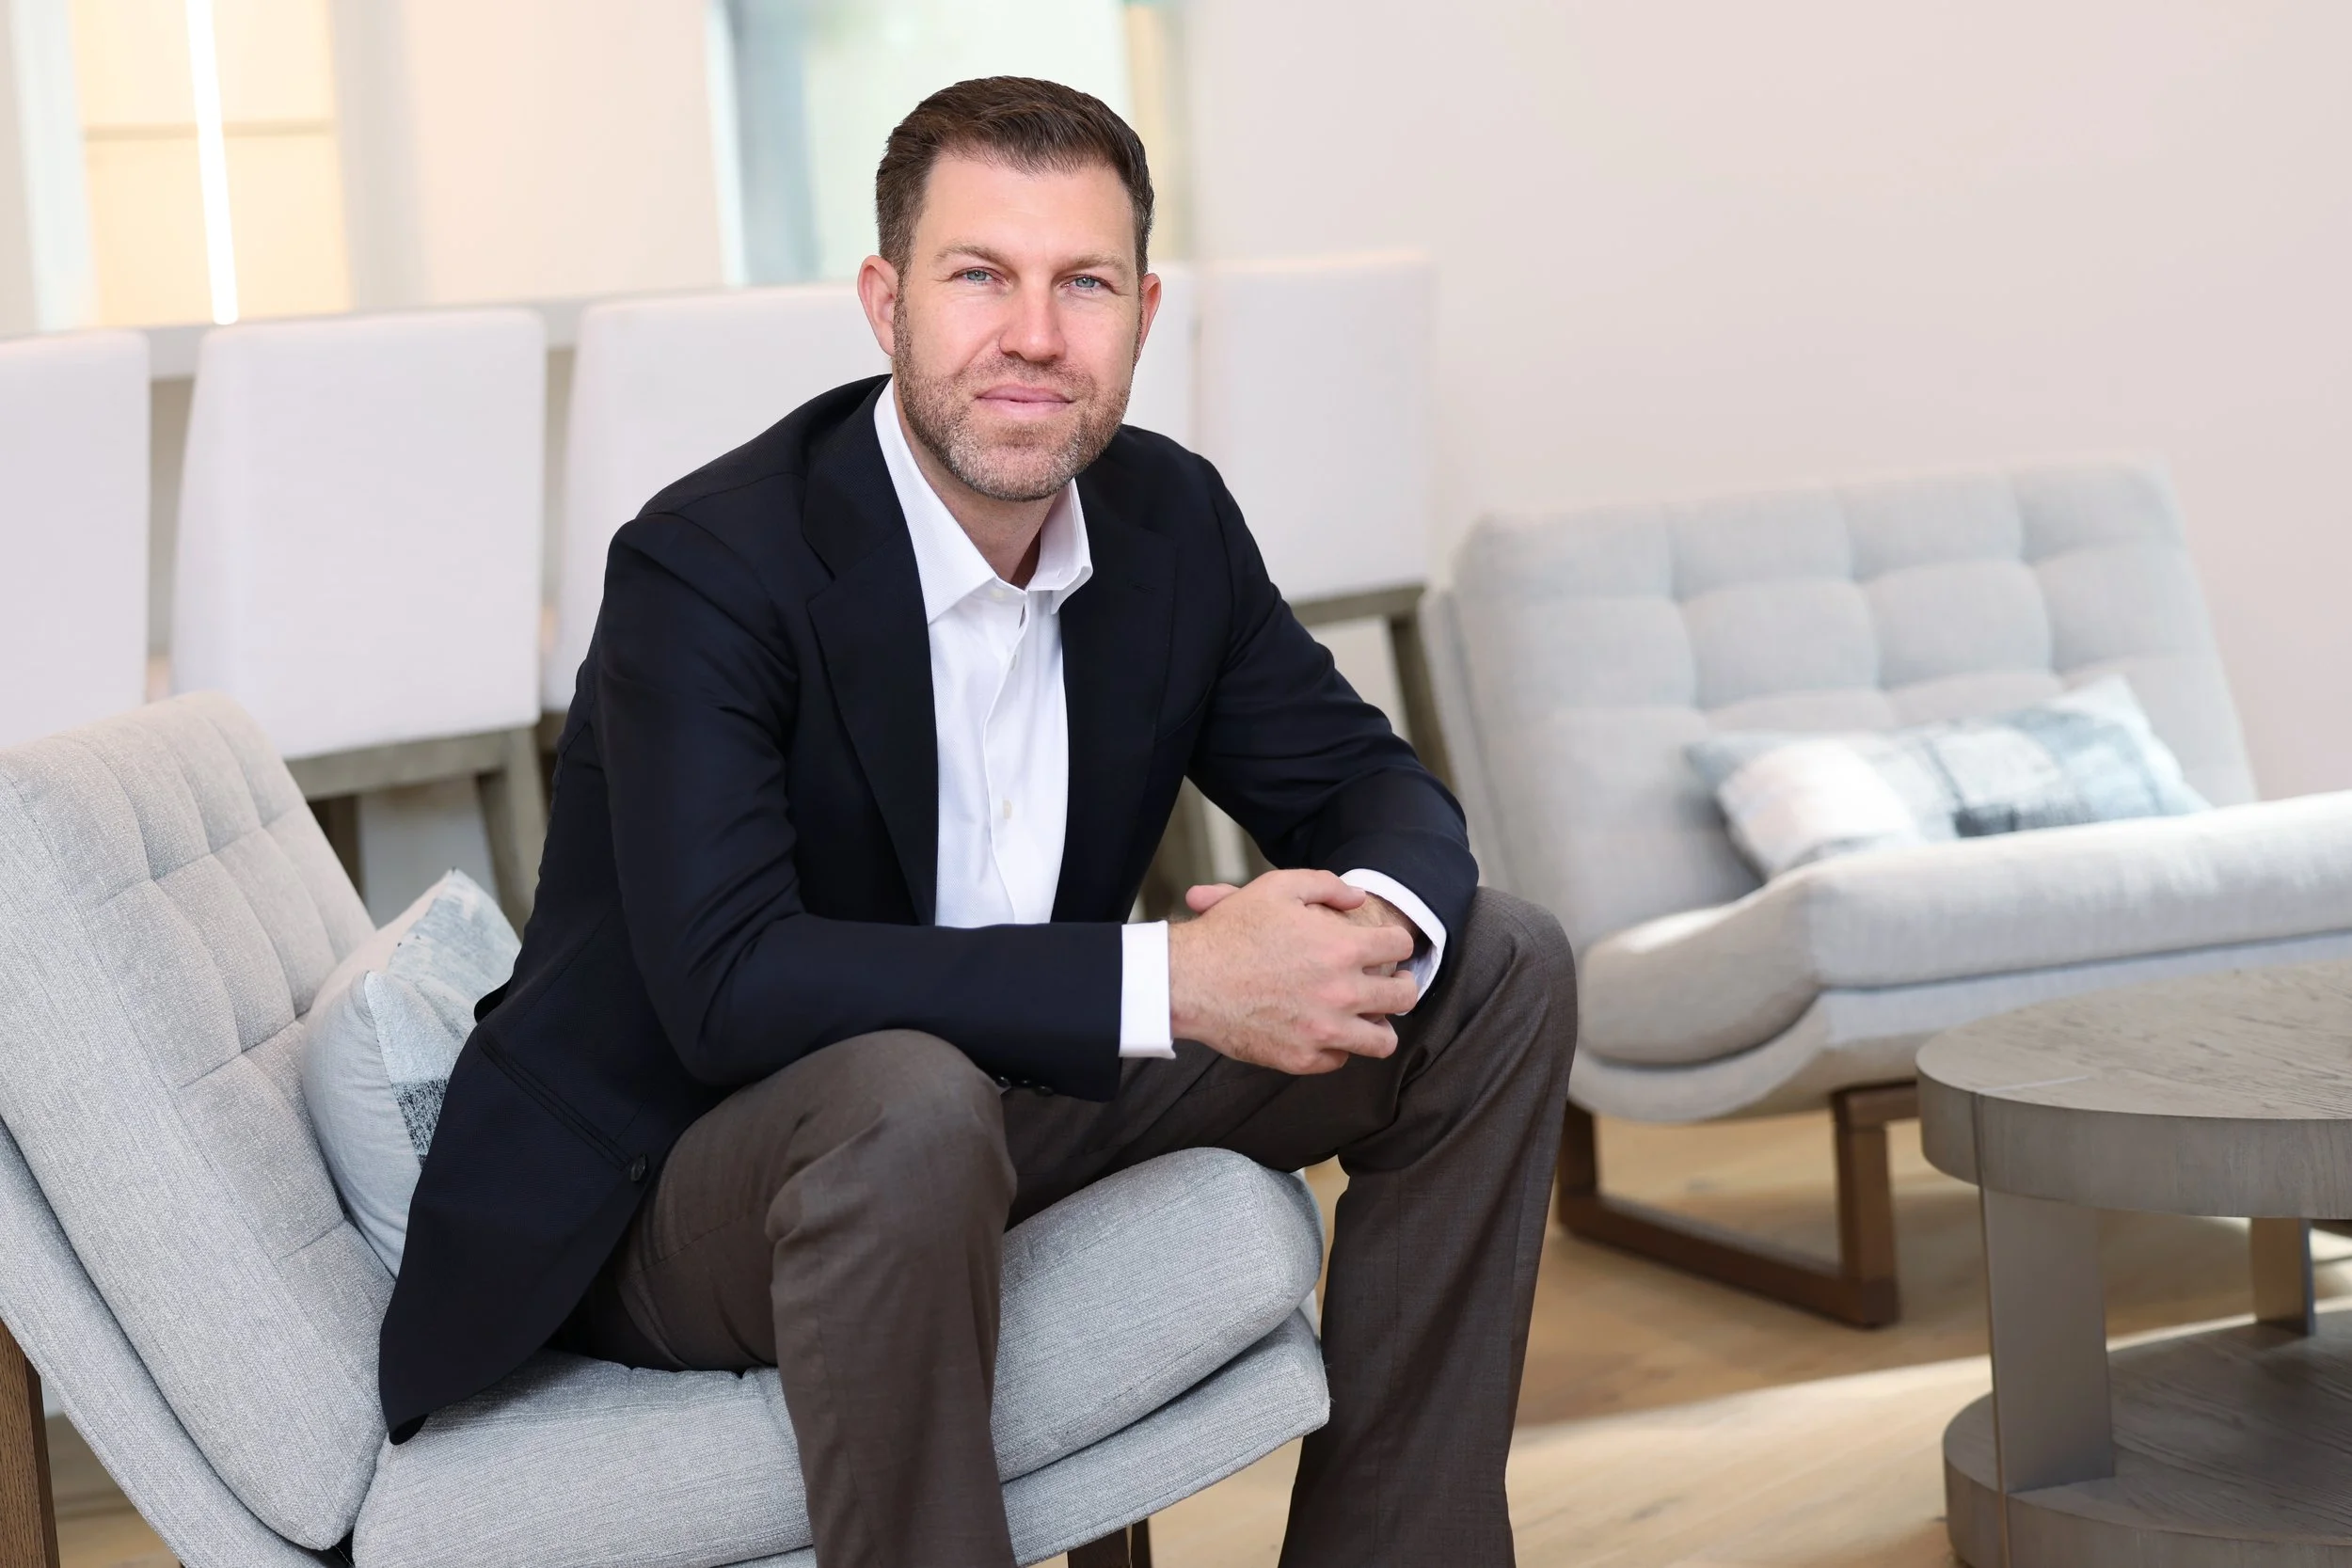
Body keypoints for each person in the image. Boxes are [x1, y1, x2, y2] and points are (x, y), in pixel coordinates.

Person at [379, 74, 1577, 1568]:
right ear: (886, 302)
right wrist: (1176, 980)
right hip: (679, 1179)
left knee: (1495, 969)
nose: (1031, 333)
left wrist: (1371, 927)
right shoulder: (710, 565)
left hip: (1003, 1093)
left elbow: (1368, 782)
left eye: (1081, 283)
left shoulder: (1167, 523)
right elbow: (729, 985)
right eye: (978, 276)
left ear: (1143, 311)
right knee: (907, 1100)